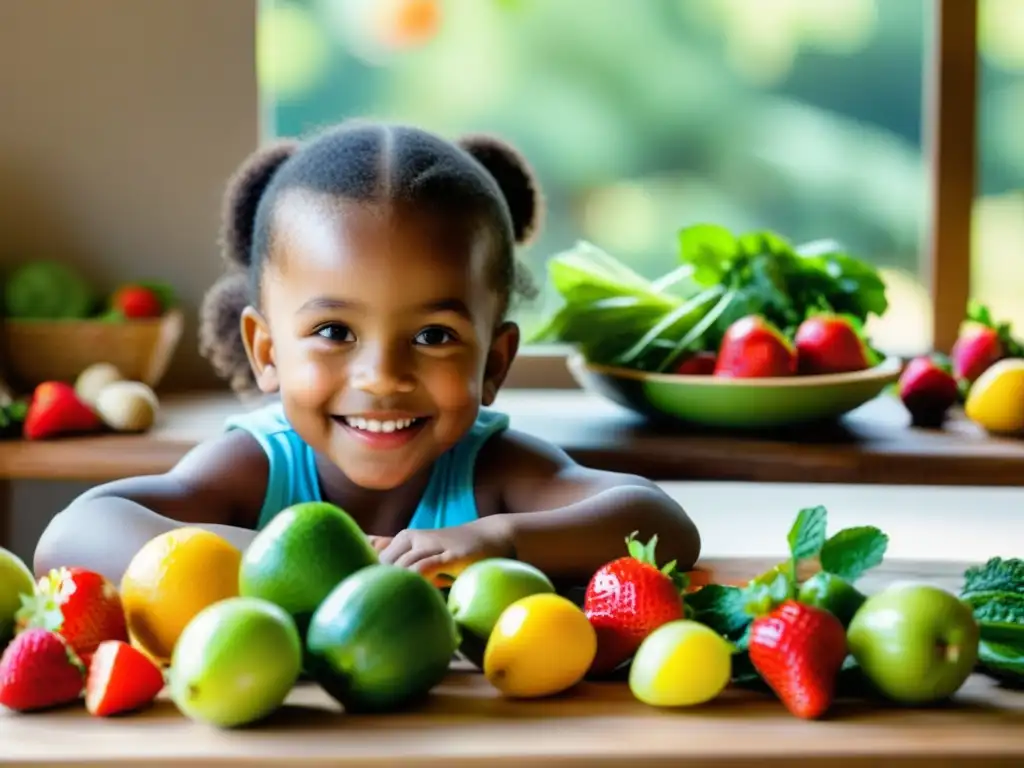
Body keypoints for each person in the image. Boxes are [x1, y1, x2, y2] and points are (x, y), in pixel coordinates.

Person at [34, 121, 701, 588]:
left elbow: (661, 524)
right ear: (266, 351)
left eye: (434, 337)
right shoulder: (257, 467)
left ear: (494, 364)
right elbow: (72, 535)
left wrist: (499, 539)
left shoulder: (490, 469)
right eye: (333, 332)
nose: (382, 378)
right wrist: (274, 557)